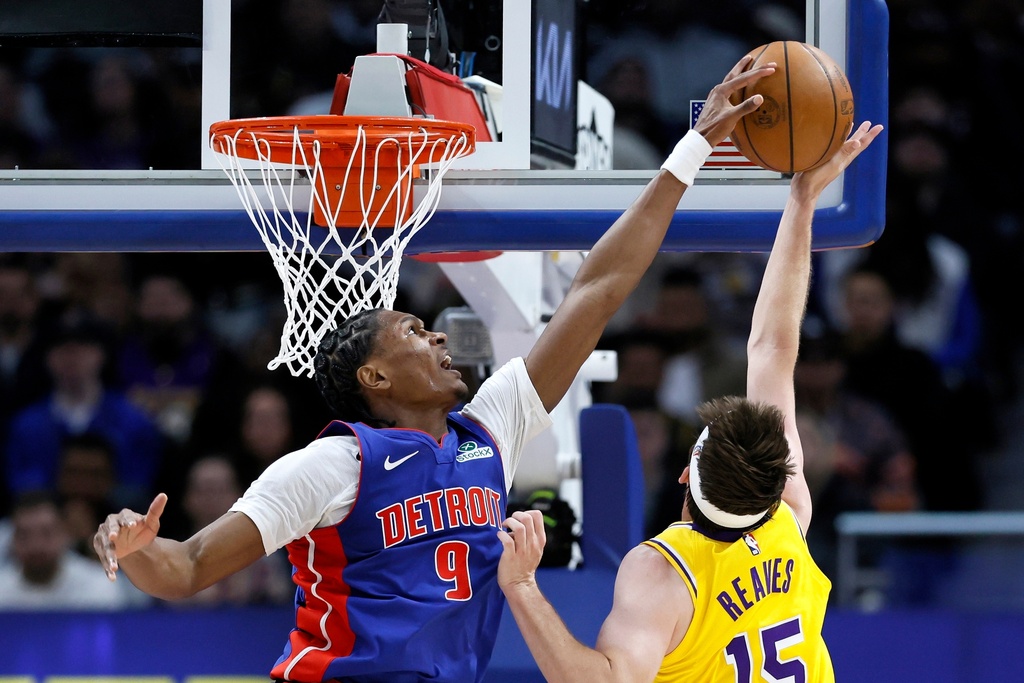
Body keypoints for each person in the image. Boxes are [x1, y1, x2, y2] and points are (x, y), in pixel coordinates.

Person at [93, 55, 778, 683]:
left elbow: (597, 290)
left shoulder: (491, 429)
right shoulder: (333, 466)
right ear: (376, 378)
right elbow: (186, 568)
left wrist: (690, 154)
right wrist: (137, 545)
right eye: (415, 332)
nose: (441, 339)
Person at [496, 121, 883, 682]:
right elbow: (774, 349)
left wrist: (522, 586)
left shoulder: (663, 573)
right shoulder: (788, 517)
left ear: (684, 476)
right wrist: (803, 200)